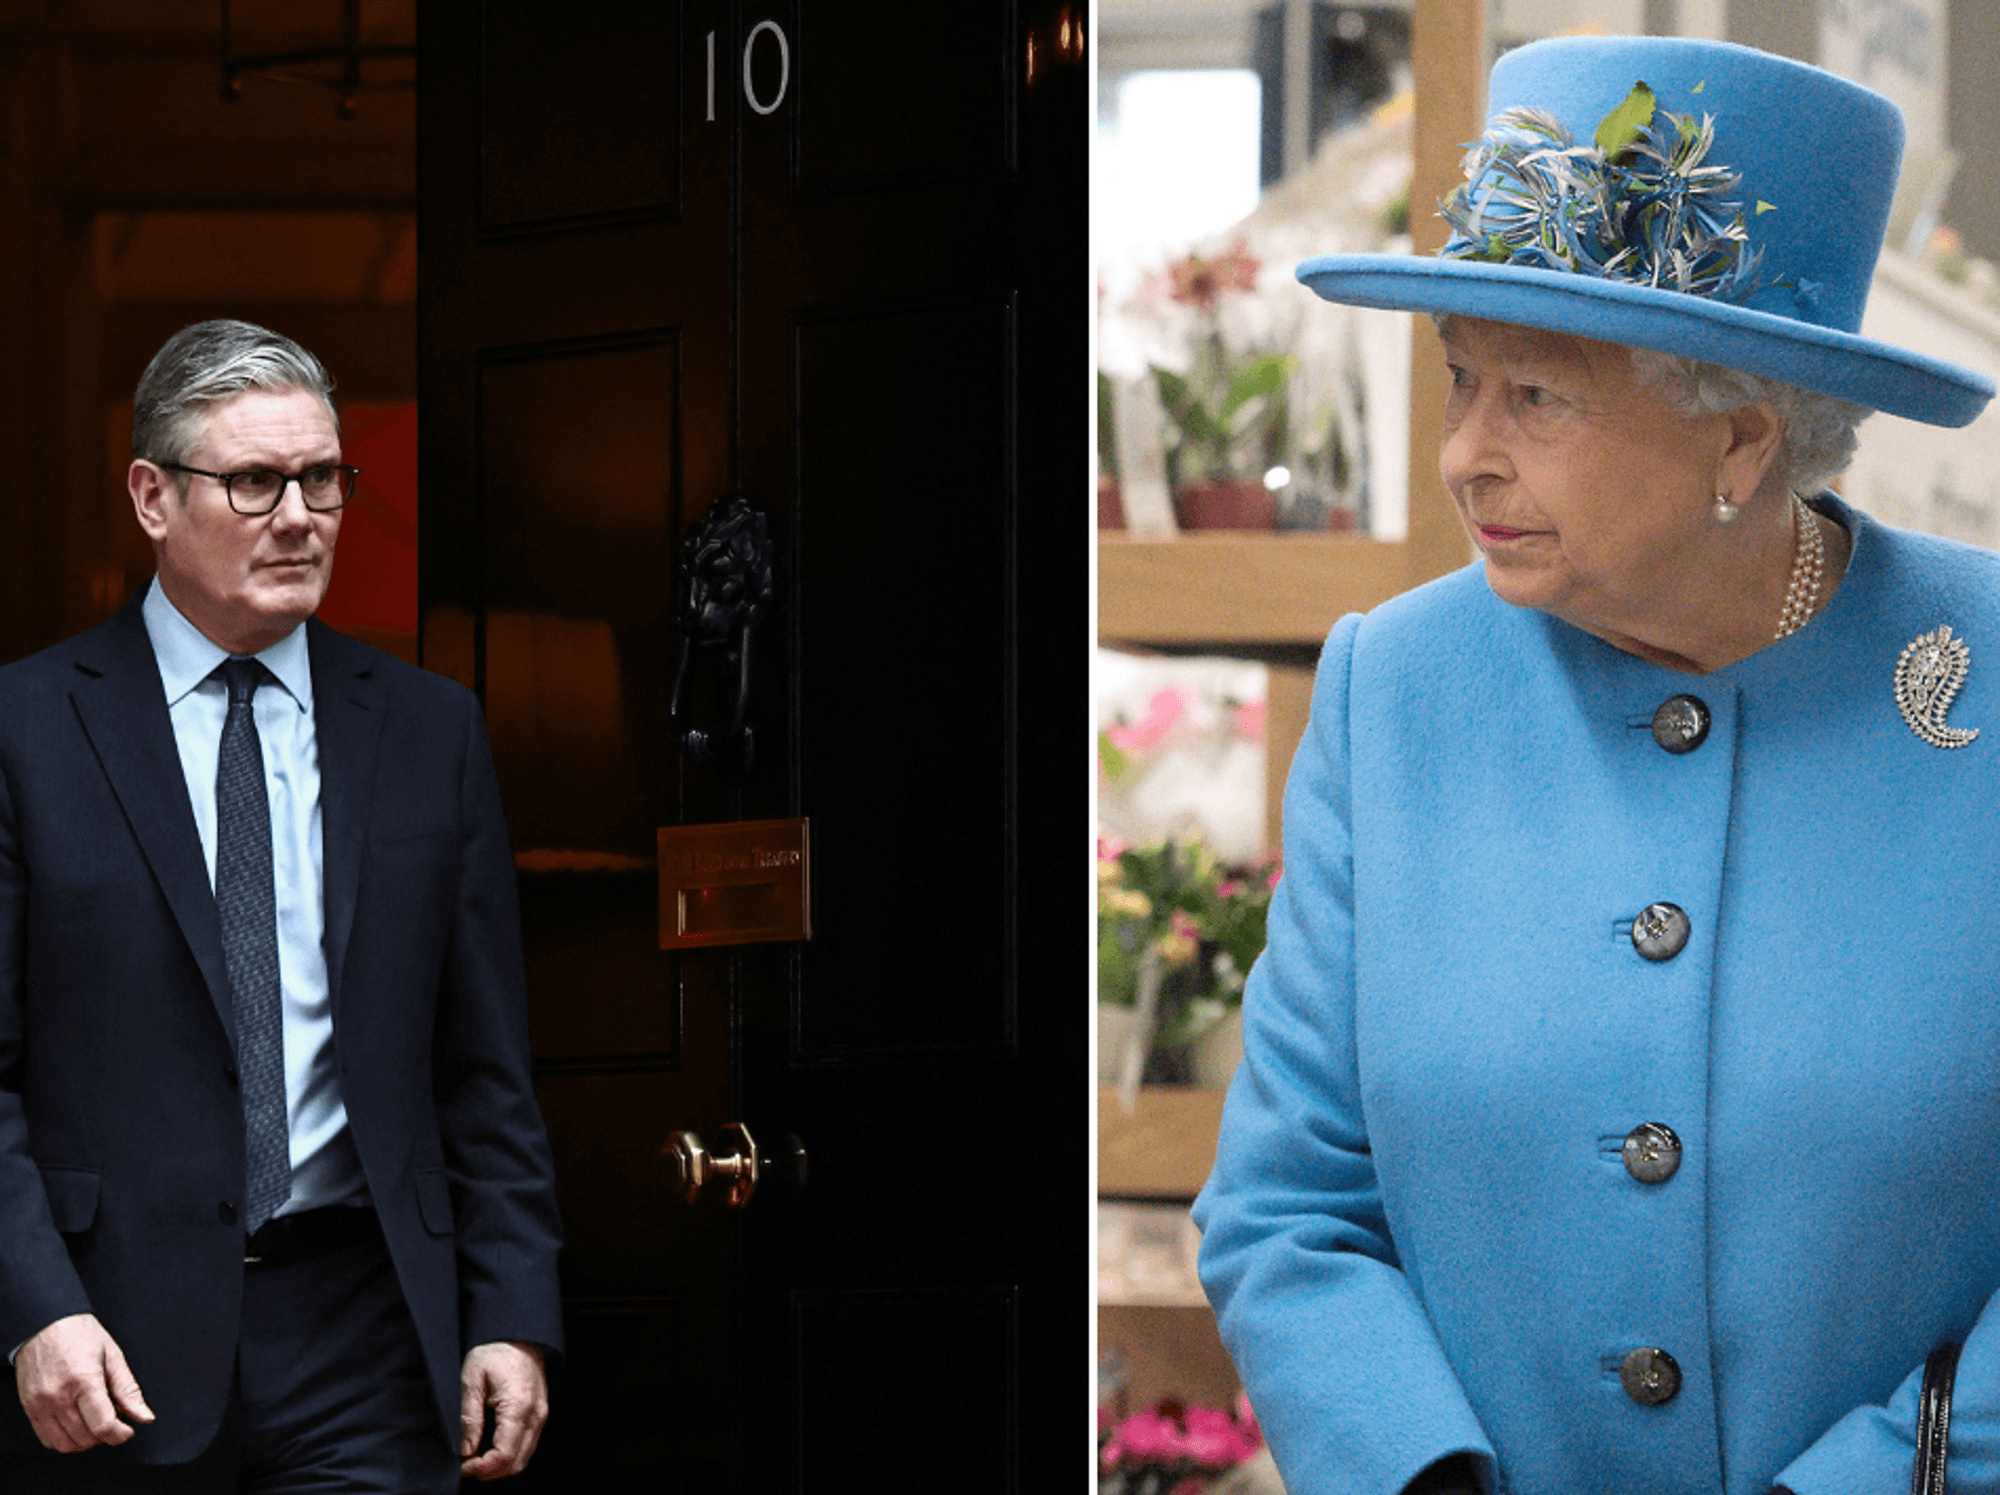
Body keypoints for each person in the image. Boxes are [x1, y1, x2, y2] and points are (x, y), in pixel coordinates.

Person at [1191, 35, 2000, 1495]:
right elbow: (1289, 1206)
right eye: (1461, 381)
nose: (1462, 455)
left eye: (1536, 400)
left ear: (1741, 439)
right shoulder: (1395, 691)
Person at [0, 320, 564, 1492]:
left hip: (365, 1325)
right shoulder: (25, 730)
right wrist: (33, 1308)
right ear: (153, 497)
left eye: (322, 478)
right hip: (106, 1347)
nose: (300, 516)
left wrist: (512, 1310)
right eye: (254, 481)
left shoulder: (429, 730)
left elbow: (483, 1065)